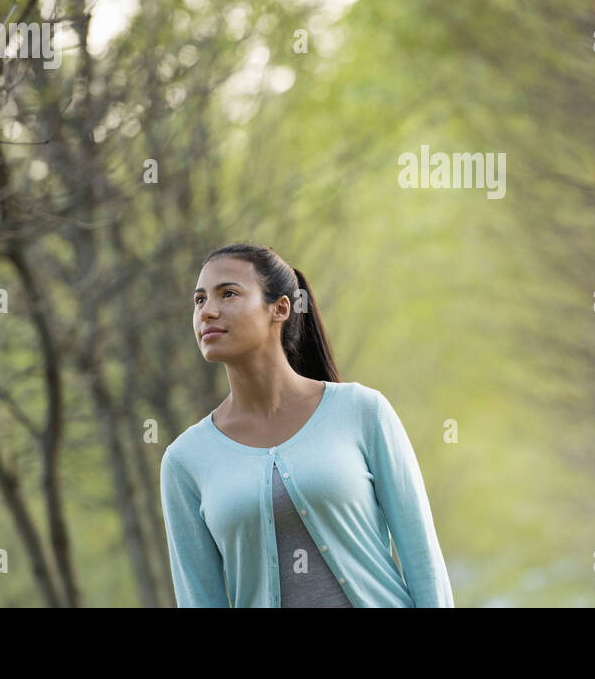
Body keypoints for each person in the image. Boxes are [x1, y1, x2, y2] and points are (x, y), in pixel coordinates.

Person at [160, 243, 455, 607]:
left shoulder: (362, 411)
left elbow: (421, 556)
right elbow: (199, 598)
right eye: (199, 300)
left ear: (281, 308)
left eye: (229, 294)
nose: (208, 311)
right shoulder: (185, 460)